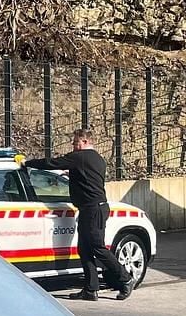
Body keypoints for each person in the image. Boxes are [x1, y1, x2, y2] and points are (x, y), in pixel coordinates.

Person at [17, 129, 135, 301]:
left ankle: (125, 278)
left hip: (93, 209)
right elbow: (88, 178)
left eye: (75, 143)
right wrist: (72, 175)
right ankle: (90, 289)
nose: (73, 146)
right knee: (84, 249)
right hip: (94, 208)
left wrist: (27, 163)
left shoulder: (79, 157)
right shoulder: (97, 159)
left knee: (97, 247)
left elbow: (51, 163)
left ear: (85, 141)